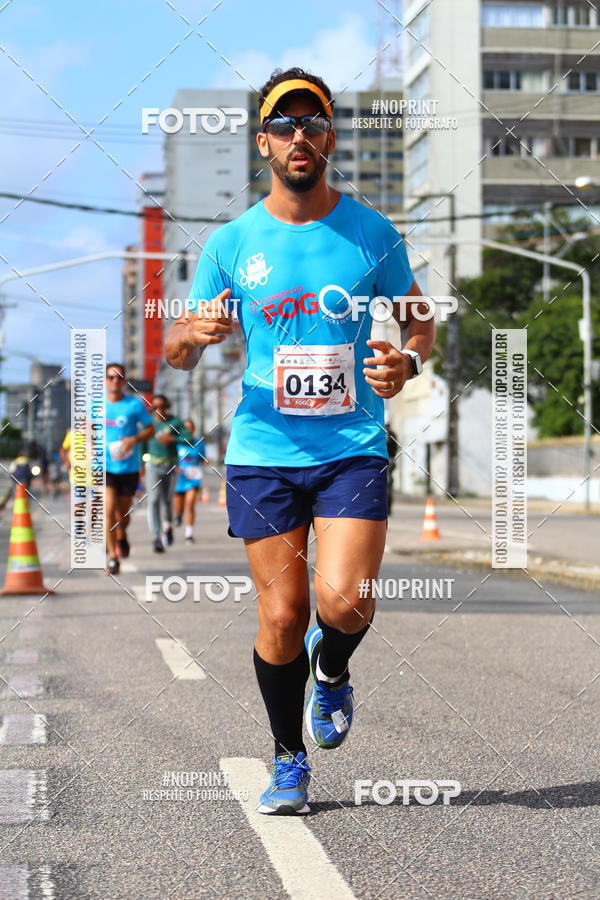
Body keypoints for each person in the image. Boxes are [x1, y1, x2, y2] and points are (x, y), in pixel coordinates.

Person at [164, 67, 436, 815]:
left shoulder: (371, 233)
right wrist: (193, 333)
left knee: (344, 603)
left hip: (351, 445)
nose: (299, 137)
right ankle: (289, 760)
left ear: (329, 138)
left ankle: (334, 669)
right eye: (284, 126)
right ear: (264, 143)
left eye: (311, 123)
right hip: (263, 452)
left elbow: (419, 320)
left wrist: (407, 361)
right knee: (282, 617)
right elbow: (176, 351)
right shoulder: (230, 243)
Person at [105, 363, 154, 575]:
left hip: (128, 468)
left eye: (119, 377)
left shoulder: (134, 405)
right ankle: (112, 557)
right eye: (111, 377)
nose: (115, 381)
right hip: (104, 467)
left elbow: (150, 430)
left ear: (125, 381)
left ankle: (122, 534)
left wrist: (134, 439)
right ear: (105, 381)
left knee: (122, 516)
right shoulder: (95, 406)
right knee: (108, 511)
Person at [143, 395, 192, 553]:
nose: (159, 410)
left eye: (163, 407)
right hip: (152, 466)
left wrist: (172, 439)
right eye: (155, 407)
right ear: (152, 409)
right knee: (153, 500)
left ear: (167, 407)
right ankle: (156, 537)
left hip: (171, 466)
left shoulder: (175, 422)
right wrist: (140, 465)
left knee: (167, 500)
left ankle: (168, 526)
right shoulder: (148, 423)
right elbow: (141, 443)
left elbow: (189, 439)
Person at [173, 419, 207, 542]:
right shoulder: (177, 442)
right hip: (179, 478)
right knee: (178, 508)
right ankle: (178, 516)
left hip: (193, 477)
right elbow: (171, 458)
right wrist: (176, 467)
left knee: (190, 503)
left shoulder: (199, 442)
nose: (188, 430)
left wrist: (206, 461)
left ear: (194, 428)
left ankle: (189, 533)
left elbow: (203, 458)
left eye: (190, 427)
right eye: (185, 427)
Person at [385, 423, 399, 516]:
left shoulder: (383, 433)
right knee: (389, 484)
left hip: (385, 460)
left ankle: (386, 507)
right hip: (391, 460)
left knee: (386, 484)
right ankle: (388, 508)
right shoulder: (393, 434)